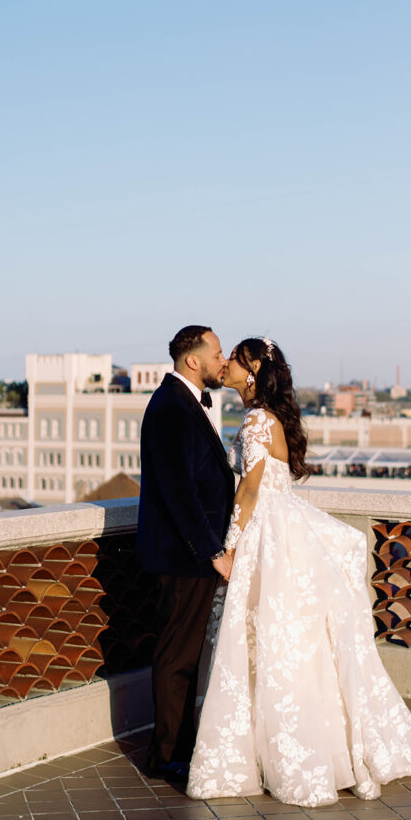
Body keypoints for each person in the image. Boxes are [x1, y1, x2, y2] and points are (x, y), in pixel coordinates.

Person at [187, 337, 411, 806]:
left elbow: (250, 492)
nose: (227, 364)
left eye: (235, 358)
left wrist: (228, 549)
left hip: (265, 536)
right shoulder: (268, 417)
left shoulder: (258, 419)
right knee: (291, 645)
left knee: (269, 643)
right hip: (284, 533)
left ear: (253, 368)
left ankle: (280, 754)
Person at [137, 325, 235, 782]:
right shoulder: (171, 408)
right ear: (193, 360)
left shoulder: (184, 402)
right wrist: (214, 552)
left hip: (190, 555)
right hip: (183, 556)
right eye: (216, 353)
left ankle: (181, 745)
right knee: (177, 656)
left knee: (187, 655)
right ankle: (165, 755)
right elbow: (179, 494)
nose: (223, 359)